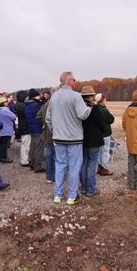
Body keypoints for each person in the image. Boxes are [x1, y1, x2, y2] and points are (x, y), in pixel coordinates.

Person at [46, 71, 91, 205]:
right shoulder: (76, 96)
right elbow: (83, 115)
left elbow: (48, 118)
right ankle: (71, 196)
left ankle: (57, 195)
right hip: (74, 139)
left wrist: (55, 131)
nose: (75, 82)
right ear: (70, 81)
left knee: (60, 166)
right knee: (74, 167)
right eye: (74, 80)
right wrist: (89, 109)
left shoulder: (53, 97)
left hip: (58, 138)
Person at [80, 86, 105, 197]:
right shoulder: (94, 108)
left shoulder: (78, 107)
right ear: (91, 96)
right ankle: (91, 189)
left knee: (84, 163)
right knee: (92, 164)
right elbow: (101, 124)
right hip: (94, 139)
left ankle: (84, 188)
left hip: (82, 139)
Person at [36, 88, 58, 183]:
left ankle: (49, 177)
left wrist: (44, 124)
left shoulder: (45, 104)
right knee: (56, 157)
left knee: (49, 156)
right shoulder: (57, 104)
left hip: (47, 133)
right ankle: (55, 177)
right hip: (57, 133)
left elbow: (38, 116)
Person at [25, 88, 45, 173]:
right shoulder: (36, 105)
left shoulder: (27, 105)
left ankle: (32, 163)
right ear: (35, 96)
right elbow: (40, 116)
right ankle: (38, 166)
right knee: (39, 147)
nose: (39, 97)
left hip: (31, 128)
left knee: (33, 146)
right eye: (38, 95)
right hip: (38, 128)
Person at [95, 93, 115, 176]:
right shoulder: (103, 110)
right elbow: (111, 119)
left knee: (99, 151)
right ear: (102, 100)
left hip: (98, 134)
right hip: (105, 134)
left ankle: (99, 168)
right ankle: (104, 169)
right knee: (105, 151)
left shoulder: (95, 108)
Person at [0, 97, 16, 163]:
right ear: (3, 103)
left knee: (1, 144)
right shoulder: (5, 110)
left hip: (1, 129)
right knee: (5, 145)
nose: (7, 103)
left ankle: (1, 156)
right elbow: (13, 117)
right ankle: (4, 157)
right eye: (6, 101)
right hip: (6, 129)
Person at [16, 90, 31, 166]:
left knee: (24, 144)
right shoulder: (22, 106)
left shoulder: (19, 104)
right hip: (25, 127)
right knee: (25, 145)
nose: (27, 97)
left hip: (23, 126)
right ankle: (24, 161)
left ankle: (24, 159)